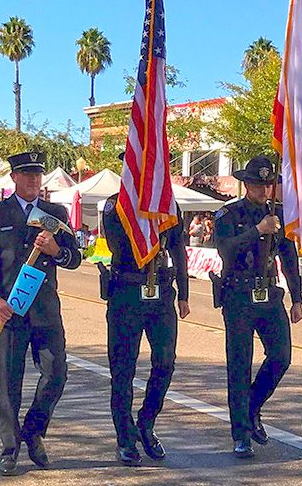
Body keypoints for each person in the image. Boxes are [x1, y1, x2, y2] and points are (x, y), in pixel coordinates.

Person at [0, 152, 82, 476]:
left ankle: (33, 432)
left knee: (56, 374)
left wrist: (56, 251)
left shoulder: (55, 213)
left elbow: (75, 259)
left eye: (38, 175)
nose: (33, 180)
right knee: (7, 384)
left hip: (45, 310)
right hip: (8, 312)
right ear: (14, 178)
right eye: (27, 175)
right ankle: (10, 449)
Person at [213, 156, 302, 459]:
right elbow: (224, 249)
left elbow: (289, 258)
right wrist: (257, 230)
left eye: (267, 184)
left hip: (268, 294)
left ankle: (252, 407)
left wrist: (298, 297)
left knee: (281, 356)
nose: (263, 189)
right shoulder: (228, 214)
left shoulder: (278, 215)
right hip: (238, 295)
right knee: (239, 365)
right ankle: (241, 434)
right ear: (246, 184)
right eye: (256, 184)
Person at [102, 163, 190, 466]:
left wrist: (185, 292)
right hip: (127, 291)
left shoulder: (168, 205)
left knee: (165, 362)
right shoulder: (115, 206)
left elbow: (178, 248)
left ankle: (146, 422)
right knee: (123, 370)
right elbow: (120, 247)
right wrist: (144, 218)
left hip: (161, 293)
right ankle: (124, 437)